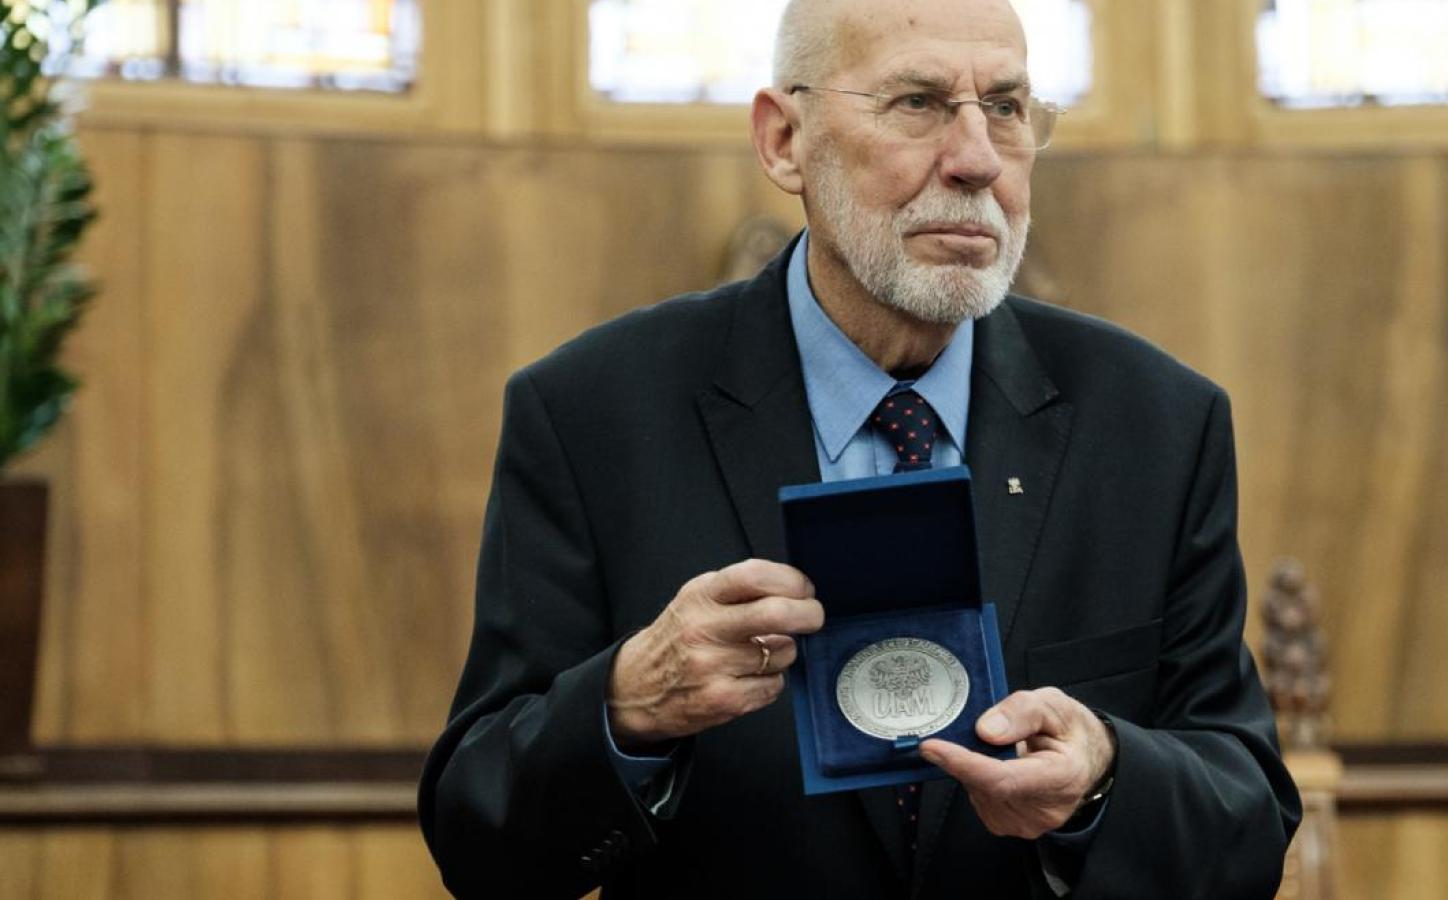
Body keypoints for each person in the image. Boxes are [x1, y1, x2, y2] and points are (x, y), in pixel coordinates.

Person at [418, 0, 1301, 896]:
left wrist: (1106, 776)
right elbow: (477, 836)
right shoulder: (590, 414)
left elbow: (1249, 825)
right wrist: (627, 708)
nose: (977, 159)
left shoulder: (1156, 424)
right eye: (916, 102)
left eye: (1005, 107)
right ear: (783, 140)